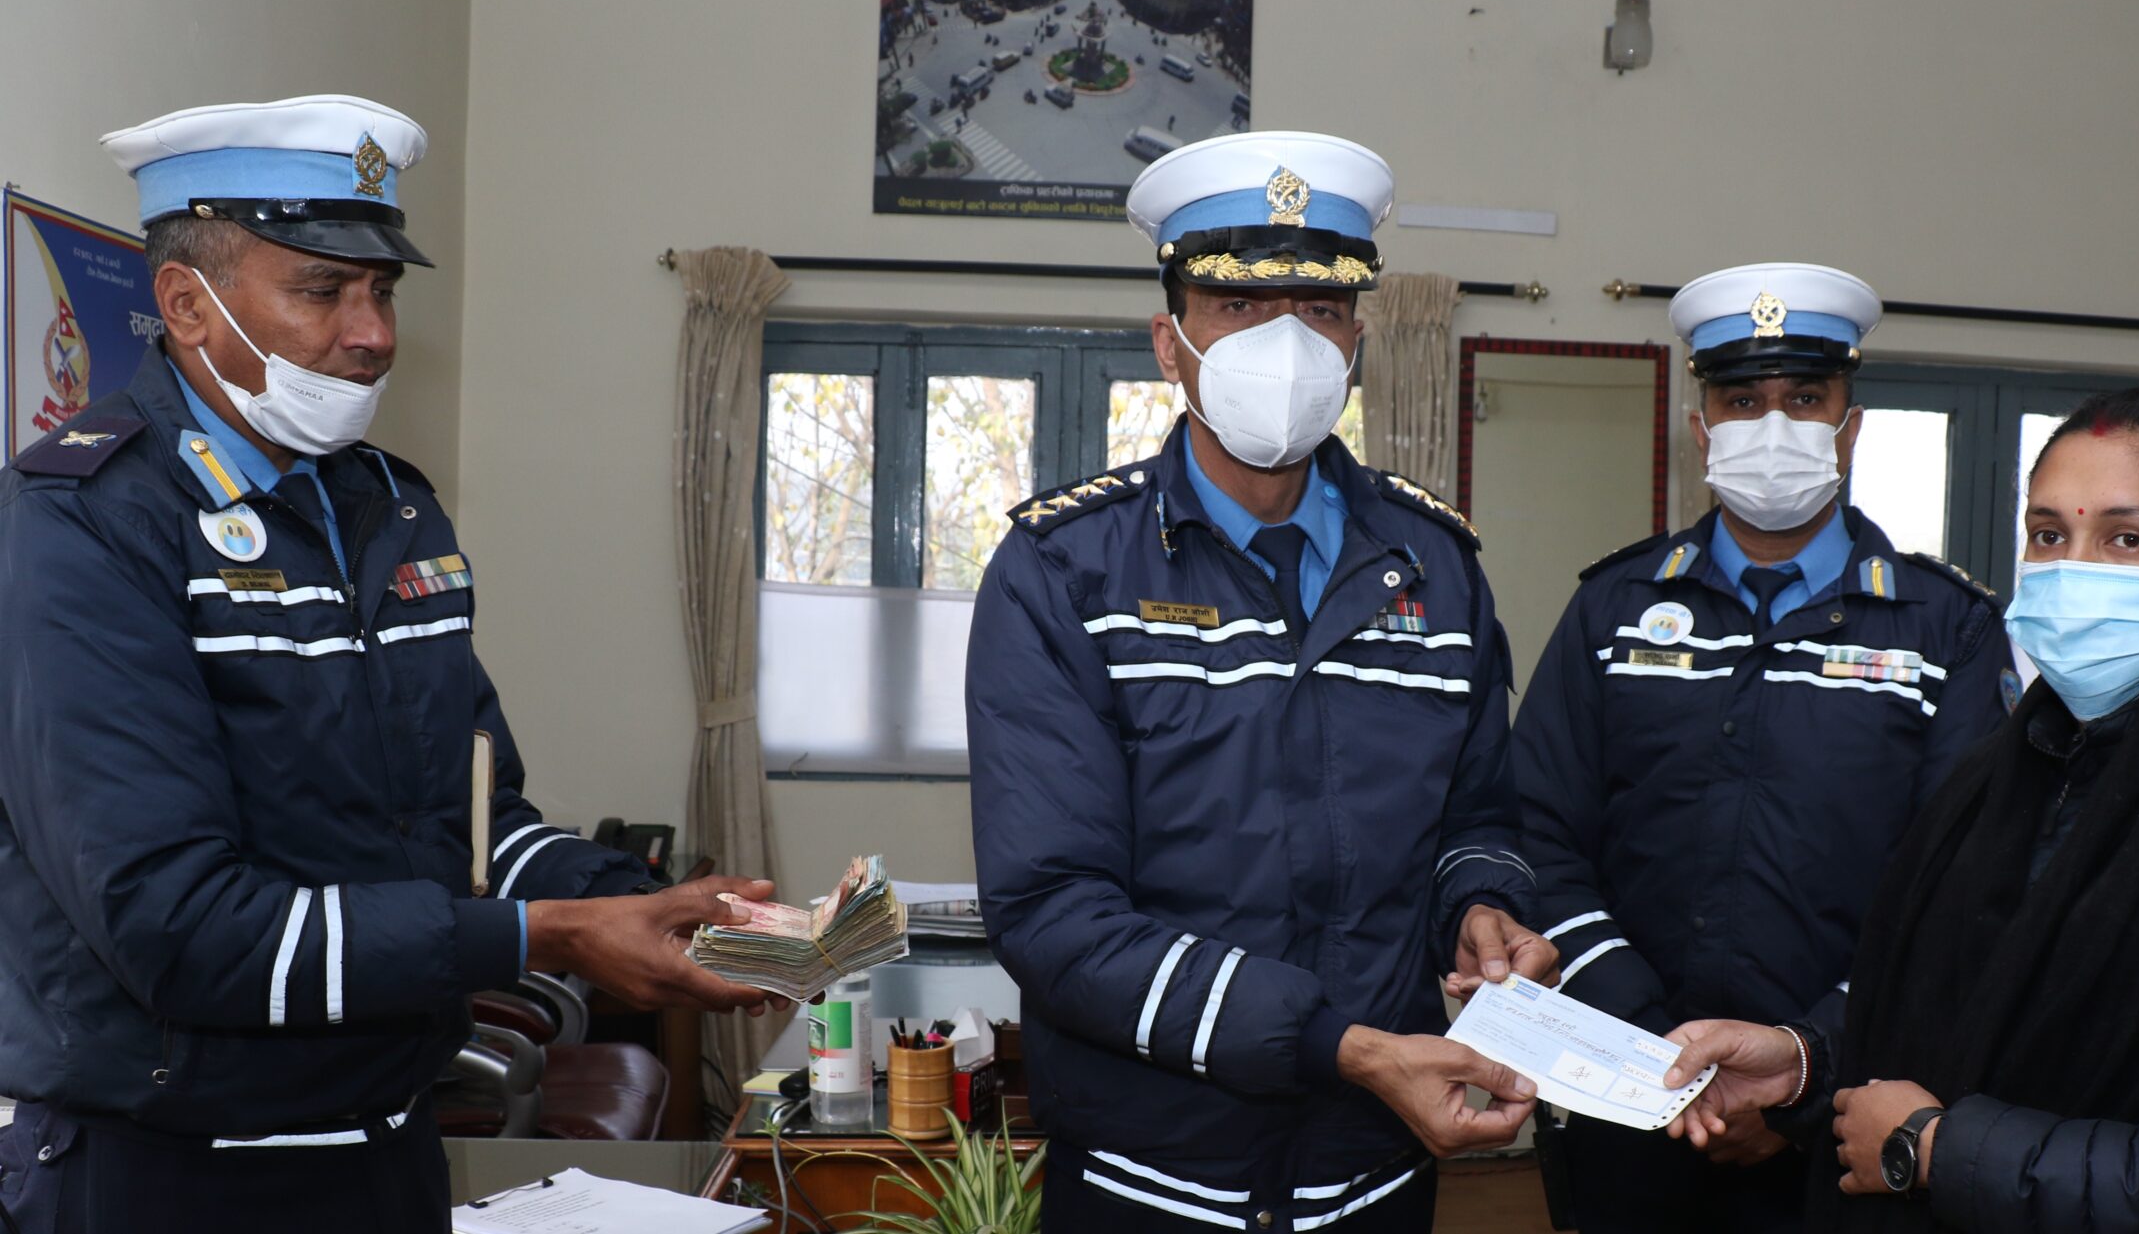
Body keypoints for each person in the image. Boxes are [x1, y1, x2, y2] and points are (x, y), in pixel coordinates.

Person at [0, 95, 785, 1232]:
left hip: (391, 1148)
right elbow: (178, 927)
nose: (371, 333)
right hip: (169, 1172)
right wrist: (550, 938)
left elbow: (475, 825)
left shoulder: (390, 507)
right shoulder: (83, 522)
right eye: (323, 290)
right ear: (185, 303)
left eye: (383, 290)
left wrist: (654, 908)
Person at [1658, 380, 2139, 1233]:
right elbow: (1962, 998)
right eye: (2048, 534)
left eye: (2127, 538)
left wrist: (1938, 1147)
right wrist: (1805, 1063)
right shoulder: (2016, 763)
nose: (2073, 569)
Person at [968, 131, 1555, 1233]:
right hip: (1150, 1182)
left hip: (1376, 1176)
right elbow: (1053, 912)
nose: (1286, 341)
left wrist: (1482, 910)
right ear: (1171, 342)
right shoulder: (1064, 571)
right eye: (1239, 305)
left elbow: (1478, 817)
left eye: (1320, 308)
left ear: (1356, 341)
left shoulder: (1434, 567)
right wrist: (1342, 1045)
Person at [1512, 263, 2008, 1233]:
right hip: (1628, 1091)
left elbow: (1961, 884)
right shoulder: (1614, 606)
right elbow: (1540, 827)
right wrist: (1654, 1045)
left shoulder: (1945, 624)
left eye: (1804, 398)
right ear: (1701, 428)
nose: (1772, 425)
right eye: (1742, 400)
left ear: (1848, 425)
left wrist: (1801, 1066)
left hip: (1846, 1112)